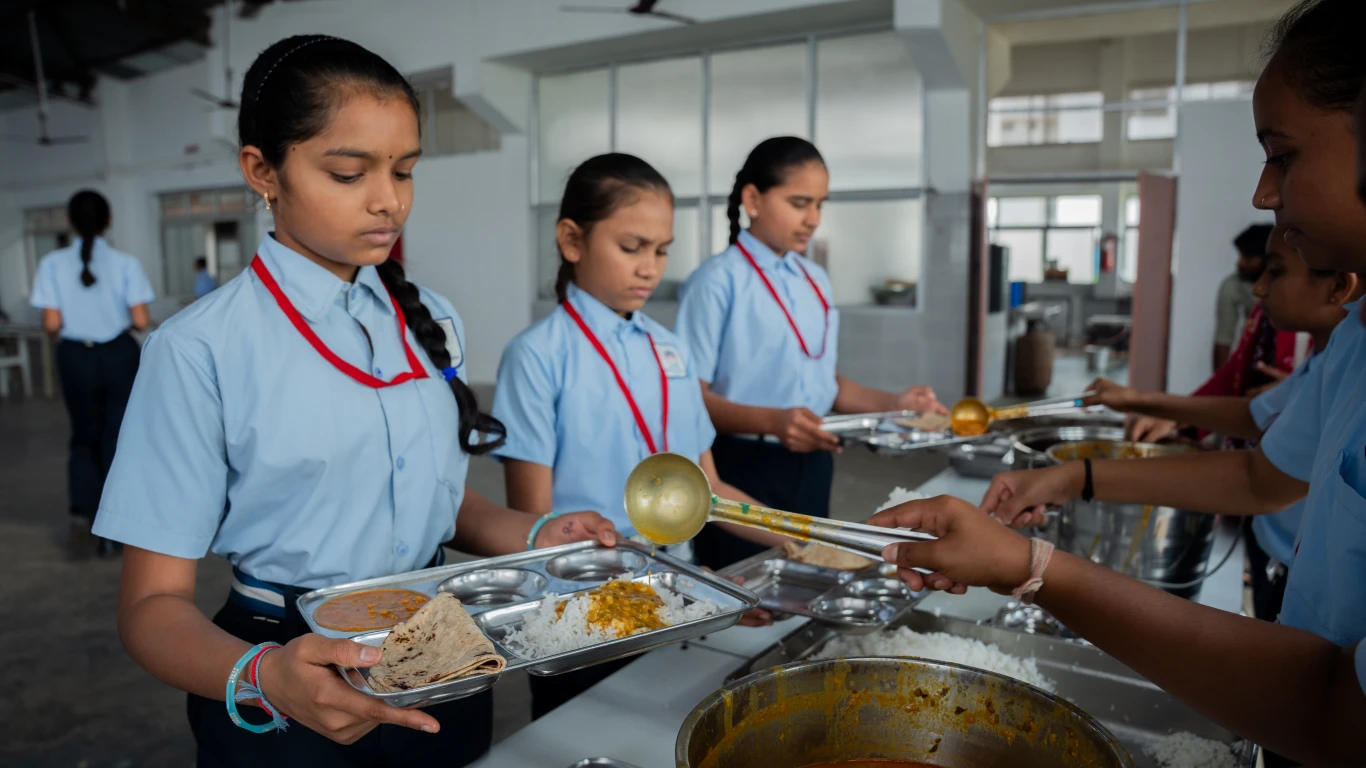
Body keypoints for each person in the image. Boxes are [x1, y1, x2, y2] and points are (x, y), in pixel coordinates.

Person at [91, 35, 616, 766]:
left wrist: (535, 534)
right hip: (286, 654)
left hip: (442, 642)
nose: (388, 199)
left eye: (404, 170)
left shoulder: (430, 319)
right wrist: (263, 676)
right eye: (348, 172)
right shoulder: (201, 350)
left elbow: (434, 500)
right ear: (261, 171)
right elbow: (151, 608)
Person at [874, 2, 1366, 764]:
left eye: (1285, 155)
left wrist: (1031, 567)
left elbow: (1339, 709)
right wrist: (1075, 476)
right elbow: (1262, 475)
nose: (1264, 193)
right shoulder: (1357, 340)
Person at [491, 152, 784, 719]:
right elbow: (538, 538)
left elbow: (711, 492)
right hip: (584, 617)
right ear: (572, 240)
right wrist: (667, 588)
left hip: (681, 593)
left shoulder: (668, 348)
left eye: (661, 250)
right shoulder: (537, 357)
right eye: (631, 248)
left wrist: (802, 542)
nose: (650, 267)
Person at [674, 136, 946, 569]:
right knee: (743, 600)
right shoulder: (716, 282)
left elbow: (827, 384)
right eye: (799, 202)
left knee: (804, 579)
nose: (813, 219)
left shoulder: (814, 279)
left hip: (814, 462)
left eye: (820, 204)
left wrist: (894, 405)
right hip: (742, 466)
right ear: (753, 199)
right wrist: (772, 421)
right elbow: (687, 398)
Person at [1084, 227, 1361, 621]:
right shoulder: (1328, 360)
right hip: (1275, 548)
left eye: (1275, 272)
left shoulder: (1345, 364)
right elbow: (1251, 413)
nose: (1258, 288)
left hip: (1296, 564)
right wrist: (1139, 401)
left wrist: (1078, 479)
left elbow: (1254, 480)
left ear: (1339, 286)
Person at [29, 189, 153, 558]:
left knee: (83, 437)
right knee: (117, 438)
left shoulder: (51, 263)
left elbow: (51, 323)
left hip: (74, 358)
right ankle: (117, 526)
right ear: (108, 221)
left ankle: (82, 515)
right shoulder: (126, 263)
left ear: (70, 221)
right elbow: (140, 320)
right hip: (118, 356)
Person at [1213, 224, 1273, 369]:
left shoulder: (1291, 285)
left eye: (1248, 257)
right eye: (1240, 256)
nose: (1240, 263)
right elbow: (1223, 337)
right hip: (1255, 359)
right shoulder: (1233, 284)